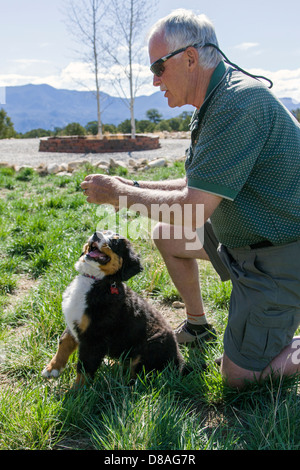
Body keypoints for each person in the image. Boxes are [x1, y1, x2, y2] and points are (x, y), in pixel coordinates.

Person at [81, 9, 300, 389]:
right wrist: (128, 183)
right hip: (245, 240)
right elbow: (194, 184)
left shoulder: (237, 105)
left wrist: (119, 195)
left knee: (237, 376)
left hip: (280, 257)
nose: (154, 80)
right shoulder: (217, 101)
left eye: (158, 68)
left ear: (190, 58)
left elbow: (195, 208)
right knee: (168, 234)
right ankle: (198, 325)